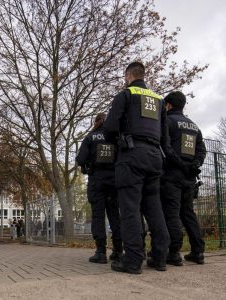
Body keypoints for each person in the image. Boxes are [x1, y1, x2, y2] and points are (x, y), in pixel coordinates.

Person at [103, 62, 170, 274]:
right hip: (154, 156)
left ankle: (132, 260)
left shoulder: (126, 94)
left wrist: (118, 140)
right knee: (154, 207)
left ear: (128, 75)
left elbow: (110, 127)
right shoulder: (159, 100)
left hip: (131, 155)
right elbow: (165, 137)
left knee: (130, 209)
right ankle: (159, 258)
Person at [161, 91, 206, 265]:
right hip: (190, 177)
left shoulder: (168, 121)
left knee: (171, 213)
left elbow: (165, 147)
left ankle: (173, 252)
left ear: (169, 105)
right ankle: (198, 251)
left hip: (172, 174)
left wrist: (180, 163)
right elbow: (202, 150)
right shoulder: (195, 126)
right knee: (188, 213)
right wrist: (195, 164)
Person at [76, 113, 122, 264]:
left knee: (98, 216)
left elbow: (80, 159)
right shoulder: (116, 137)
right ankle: (117, 251)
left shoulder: (91, 137)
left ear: (96, 122)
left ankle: (101, 252)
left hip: (97, 181)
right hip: (114, 181)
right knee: (115, 216)